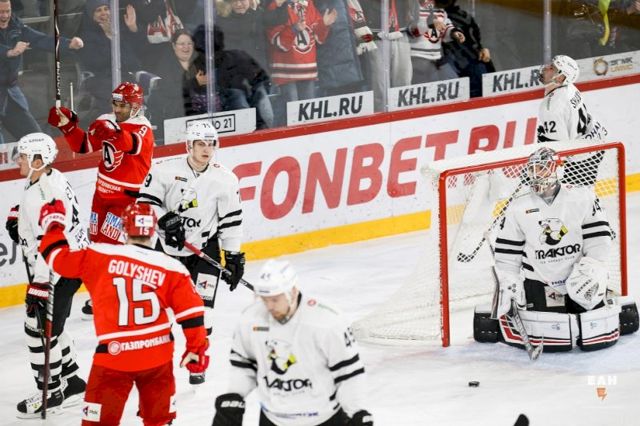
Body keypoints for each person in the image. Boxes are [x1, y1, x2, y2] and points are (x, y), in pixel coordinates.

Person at [38, 201, 209, 425]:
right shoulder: (172, 267)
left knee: (98, 423)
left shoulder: (98, 254)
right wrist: (196, 350)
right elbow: (192, 312)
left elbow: (57, 259)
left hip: (114, 356)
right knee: (159, 421)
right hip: (157, 355)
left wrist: (54, 225)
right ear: (153, 230)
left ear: (124, 228)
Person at [137, 121, 245, 383]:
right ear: (189, 145)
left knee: (203, 312)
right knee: (161, 312)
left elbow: (231, 222)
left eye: (211, 144)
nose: (207, 149)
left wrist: (232, 256)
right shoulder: (164, 170)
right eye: (200, 144)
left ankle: (198, 361)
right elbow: (144, 203)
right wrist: (164, 219)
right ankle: (157, 363)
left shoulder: (225, 179)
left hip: (205, 250)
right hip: (168, 252)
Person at [212, 259, 373, 426]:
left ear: (293, 292)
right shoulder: (250, 319)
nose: (269, 306)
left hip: (324, 418)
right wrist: (235, 396)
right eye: (265, 299)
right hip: (273, 418)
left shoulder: (327, 321)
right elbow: (243, 364)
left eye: (275, 299)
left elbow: (348, 372)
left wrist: (356, 412)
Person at [492, 147, 622, 352]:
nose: (536, 174)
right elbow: (508, 252)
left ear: (558, 169)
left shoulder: (582, 197)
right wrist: (509, 279)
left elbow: (599, 238)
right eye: (533, 169)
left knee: (595, 335)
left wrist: (593, 267)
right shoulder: (518, 207)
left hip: (580, 276)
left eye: (542, 168)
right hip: (541, 280)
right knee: (553, 336)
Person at [47, 81, 155, 317]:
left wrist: (114, 132)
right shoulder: (108, 120)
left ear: (136, 106)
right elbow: (84, 145)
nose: (117, 109)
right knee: (96, 244)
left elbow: (129, 144)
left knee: (108, 246)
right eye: (115, 103)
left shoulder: (143, 127)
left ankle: (112, 295)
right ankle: (105, 292)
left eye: (123, 105)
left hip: (126, 201)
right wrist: (67, 127)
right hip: (101, 196)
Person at [5, 133, 88, 417]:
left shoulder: (42, 192)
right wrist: (20, 216)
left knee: (38, 329)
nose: (18, 160)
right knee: (54, 327)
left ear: (39, 160)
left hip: (56, 269)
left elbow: (52, 241)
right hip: (70, 265)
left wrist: (41, 284)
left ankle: (50, 393)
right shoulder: (49, 178)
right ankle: (72, 382)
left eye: (24, 156)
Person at [0, 0, 83, 144]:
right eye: (1, 12)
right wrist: (9, 52)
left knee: (36, 138)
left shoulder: (16, 25)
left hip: (10, 92)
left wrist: (68, 44)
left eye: (8, 11)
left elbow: (40, 39)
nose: (5, 16)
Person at [76, 0, 144, 125]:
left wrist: (130, 29)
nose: (104, 13)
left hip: (123, 77)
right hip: (98, 80)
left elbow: (134, 62)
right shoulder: (85, 36)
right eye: (98, 10)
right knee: (116, 98)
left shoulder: (119, 31)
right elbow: (96, 64)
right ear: (91, 14)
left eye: (106, 9)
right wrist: (109, 38)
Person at [537, 54, 608, 143]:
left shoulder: (550, 108)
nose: (546, 68)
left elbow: (559, 147)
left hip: (582, 150)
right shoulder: (570, 87)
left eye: (552, 68)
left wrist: (546, 141)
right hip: (594, 138)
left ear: (560, 78)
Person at [436, 0, 495, 98]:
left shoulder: (464, 16)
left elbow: (478, 36)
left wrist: (483, 47)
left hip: (470, 65)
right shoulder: (433, 18)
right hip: (458, 67)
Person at [407, 0, 464, 85]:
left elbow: (446, 25)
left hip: (436, 58)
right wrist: (429, 24)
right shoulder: (415, 6)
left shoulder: (440, 10)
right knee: (424, 85)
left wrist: (453, 33)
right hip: (417, 57)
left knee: (452, 82)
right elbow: (412, 31)